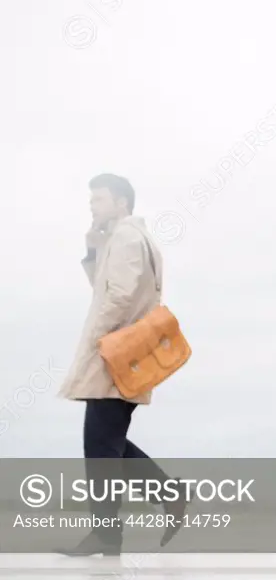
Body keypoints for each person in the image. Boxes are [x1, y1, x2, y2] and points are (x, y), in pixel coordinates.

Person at [57, 174, 186, 556]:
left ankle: (110, 531)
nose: (92, 206)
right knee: (105, 444)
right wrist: (93, 244)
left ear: (121, 203)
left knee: (100, 445)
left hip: (117, 353)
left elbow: (120, 296)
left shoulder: (129, 237)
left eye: (99, 199)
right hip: (122, 352)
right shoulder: (122, 238)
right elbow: (103, 285)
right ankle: (162, 498)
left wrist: (98, 341)